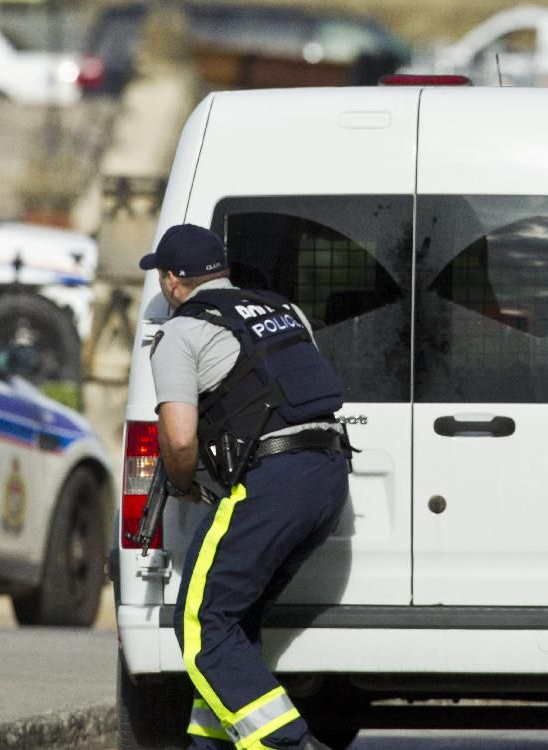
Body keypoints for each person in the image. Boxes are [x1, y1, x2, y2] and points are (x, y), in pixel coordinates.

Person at [140, 223, 350, 750]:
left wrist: (184, 486)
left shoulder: (180, 334)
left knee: (201, 622)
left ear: (170, 281)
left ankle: (289, 745)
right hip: (327, 477)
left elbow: (180, 440)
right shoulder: (283, 310)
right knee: (234, 622)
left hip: (273, 482)